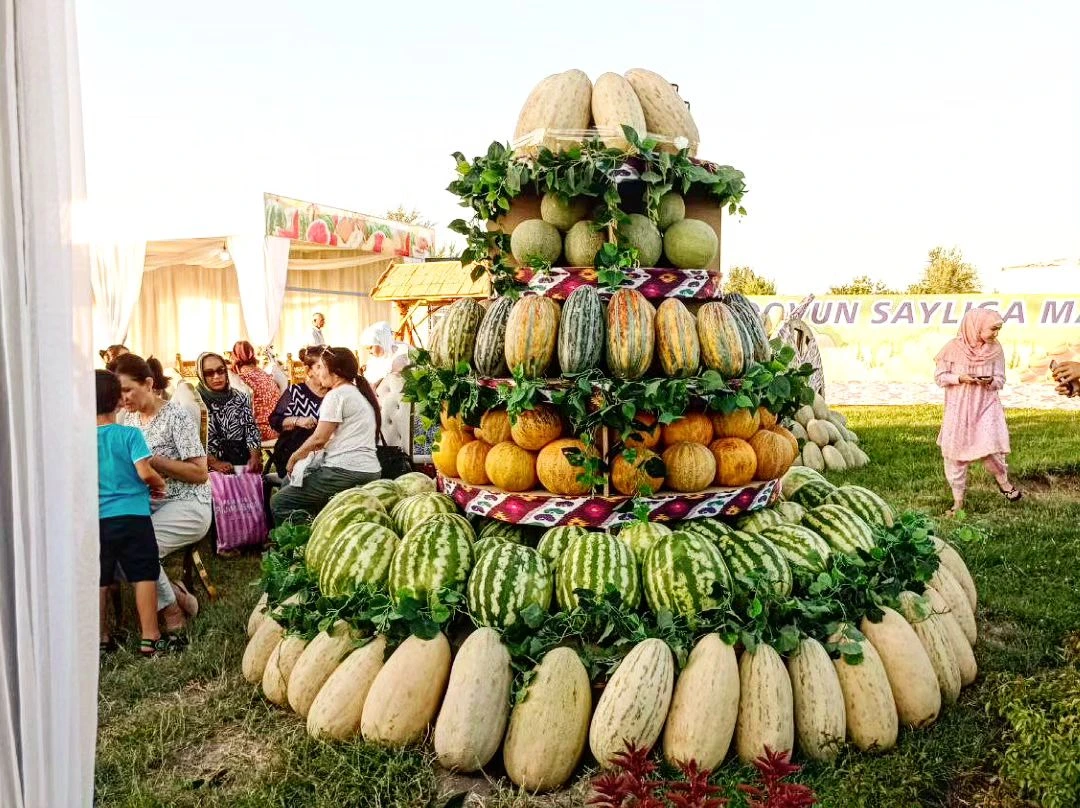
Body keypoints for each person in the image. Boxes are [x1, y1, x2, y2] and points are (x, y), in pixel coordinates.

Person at [115, 353, 209, 635]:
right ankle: (179, 596)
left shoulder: (175, 416)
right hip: (147, 503)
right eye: (119, 392)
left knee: (140, 550)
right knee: (114, 550)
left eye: (128, 390)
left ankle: (170, 612)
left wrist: (154, 461)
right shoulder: (127, 420)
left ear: (148, 383)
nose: (123, 398)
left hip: (188, 502)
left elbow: (200, 473)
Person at [97, 370, 177, 657]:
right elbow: (145, 471)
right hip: (133, 516)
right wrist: (159, 484)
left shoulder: (79, 441)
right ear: (118, 400)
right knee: (144, 573)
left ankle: (101, 637)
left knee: (101, 578)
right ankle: (150, 636)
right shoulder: (129, 434)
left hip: (98, 520)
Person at [270, 346, 381, 524]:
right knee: (289, 484)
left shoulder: (336, 395)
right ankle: (313, 529)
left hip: (346, 470)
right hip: (366, 468)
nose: (317, 372)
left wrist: (294, 457)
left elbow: (319, 439)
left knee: (280, 502)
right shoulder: (354, 392)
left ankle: (299, 547)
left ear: (334, 372)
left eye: (320, 367)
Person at [935, 308, 1021, 516]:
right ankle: (958, 502)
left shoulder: (995, 349)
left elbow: (1000, 378)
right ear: (976, 326)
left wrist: (990, 381)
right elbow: (940, 377)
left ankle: (1004, 483)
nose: (995, 334)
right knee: (955, 454)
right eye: (993, 329)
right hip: (959, 409)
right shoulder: (951, 348)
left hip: (986, 406)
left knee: (990, 447)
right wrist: (960, 378)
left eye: (998, 330)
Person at [195, 352, 263, 474]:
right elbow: (190, 440)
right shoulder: (195, 402)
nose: (216, 376)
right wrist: (214, 462)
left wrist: (254, 456)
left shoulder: (239, 397)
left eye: (220, 371)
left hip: (240, 461)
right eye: (209, 373)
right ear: (201, 375)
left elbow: (251, 429)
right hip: (208, 469)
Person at [267, 347, 327, 477]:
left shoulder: (334, 393)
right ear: (308, 371)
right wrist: (297, 420)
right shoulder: (295, 392)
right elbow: (275, 420)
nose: (326, 371)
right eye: (320, 367)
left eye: (329, 367)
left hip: (324, 453)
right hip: (293, 452)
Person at [232, 340, 281, 441]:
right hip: (278, 427)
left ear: (235, 355)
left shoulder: (242, 377)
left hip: (261, 431)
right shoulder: (261, 372)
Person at [360, 320, 406, 388]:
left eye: (370, 347)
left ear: (381, 342)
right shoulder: (373, 360)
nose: (370, 352)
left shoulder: (400, 355)